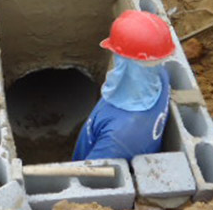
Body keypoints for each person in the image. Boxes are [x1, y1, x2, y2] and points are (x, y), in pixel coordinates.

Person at [73, 10, 174, 161]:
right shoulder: (161, 78)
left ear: (126, 61)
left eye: (117, 55)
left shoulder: (117, 140)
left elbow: (89, 179)